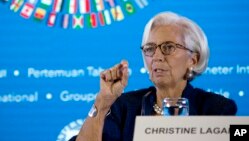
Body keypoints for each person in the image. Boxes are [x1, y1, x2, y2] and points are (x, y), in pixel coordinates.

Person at [69, 11, 237, 141]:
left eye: (168, 47)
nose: (156, 56)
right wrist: (103, 101)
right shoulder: (124, 108)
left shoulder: (216, 109)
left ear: (193, 59)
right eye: (150, 48)